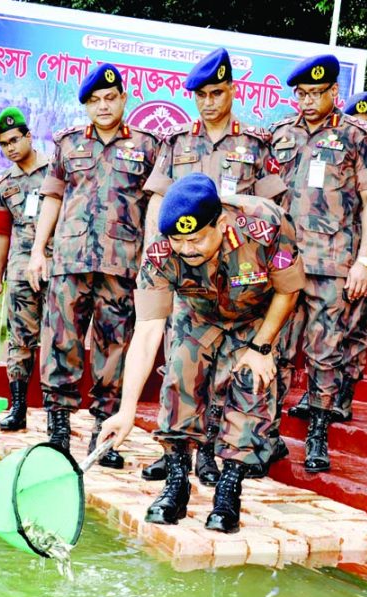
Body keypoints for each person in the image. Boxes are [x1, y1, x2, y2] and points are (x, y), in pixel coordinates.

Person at [99, 173, 304, 533]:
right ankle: (176, 484)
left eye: (195, 239)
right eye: (178, 240)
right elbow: (147, 332)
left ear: (221, 223)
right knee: (180, 376)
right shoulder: (161, 254)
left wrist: (261, 347)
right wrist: (126, 411)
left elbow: (288, 290)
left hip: (258, 315)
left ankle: (229, 491)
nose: (187, 249)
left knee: (251, 382)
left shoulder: (265, 224)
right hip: (198, 313)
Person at [141, 47, 287, 485]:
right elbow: (157, 204)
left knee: (231, 369)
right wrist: (157, 252)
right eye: (201, 94)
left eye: (217, 92)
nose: (208, 101)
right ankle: (179, 454)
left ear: (232, 91)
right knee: (185, 366)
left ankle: (214, 454)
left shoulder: (256, 145)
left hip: (240, 275)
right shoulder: (177, 143)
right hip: (188, 276)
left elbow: (271, 208)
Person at [27, 64, 159, 467]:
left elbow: (155, 203)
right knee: (60, 342)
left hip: (122, 266)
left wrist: (152, 257)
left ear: (123, 97)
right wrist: (37, 250)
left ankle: (104, 435)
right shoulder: (67, 144)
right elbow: (52, 196)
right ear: (86, 105)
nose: (103, 106)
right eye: (94, 100)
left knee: (113, 348)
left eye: (110, 97)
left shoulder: (149, 145)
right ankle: (59, 431)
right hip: (70, 261)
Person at [270, 54, 367, 473]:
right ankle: (267, 433)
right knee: (277, 349)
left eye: (316, 93)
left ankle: (317, 432)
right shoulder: (279, 134)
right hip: (284, 261)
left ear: (334, 93)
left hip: (334, 263)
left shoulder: (356, 136)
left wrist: (366, 261)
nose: (307, 101)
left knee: (325, 353)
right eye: (301, 94)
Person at [287, 90, 367, 425]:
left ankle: (343, 393)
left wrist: (360, 248)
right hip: (325, 254)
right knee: (323, 332)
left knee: (352, 328)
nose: (360, 124)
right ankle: (318, 393)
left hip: (359, 257)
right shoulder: (310, 142)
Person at [0, 107, 52, 431]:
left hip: (57, 268)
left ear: (29, 136)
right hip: (20, 270)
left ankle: (57, 415)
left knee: (59, 340)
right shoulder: (3, 184)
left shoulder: (57, 172)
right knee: (20, 339)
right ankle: (18, 407)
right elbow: (1, 233)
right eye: (4, 144)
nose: (10, 147)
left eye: (14, 140)